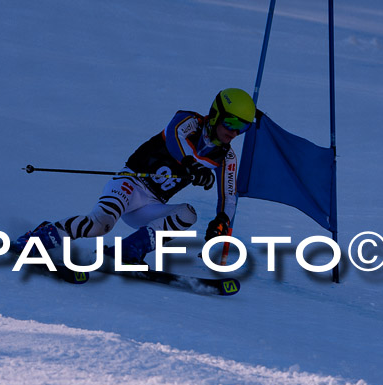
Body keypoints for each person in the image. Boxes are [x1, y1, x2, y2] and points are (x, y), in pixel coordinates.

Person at [14, 88, 256, 264]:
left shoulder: (227, 157)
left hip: (151, 204)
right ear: (215, 114)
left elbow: (229, 196)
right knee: (101, 224)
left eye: (242, 128)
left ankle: (128, 251)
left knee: (188, 214)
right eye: (231, 122)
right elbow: (174, 138)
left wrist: (222, 220)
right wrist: (192, 166)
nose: (234, 132)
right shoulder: (188, 121)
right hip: (130, 183)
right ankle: (41, 237)